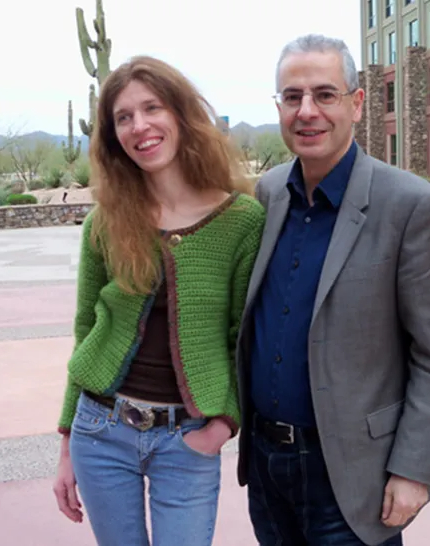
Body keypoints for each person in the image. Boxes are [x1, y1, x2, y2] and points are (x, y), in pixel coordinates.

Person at [235, 34, 430, 546]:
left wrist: (414, 470)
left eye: (325, 94)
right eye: (292, 97)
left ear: (357, 103)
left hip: (354, 477)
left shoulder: (409, 205)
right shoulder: (268, 194)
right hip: (267, 469)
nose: (307, 111)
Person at [52, 55, 266, 546]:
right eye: (123, 117)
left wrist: (222, 425)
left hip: (186, 441)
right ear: (113, 137)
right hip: (100, 430)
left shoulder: (241, 220)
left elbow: (244, 336)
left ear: (180, 114)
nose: (139, 126)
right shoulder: (105, 222)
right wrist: (66, 444)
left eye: (152, 108)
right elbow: (86, 328)